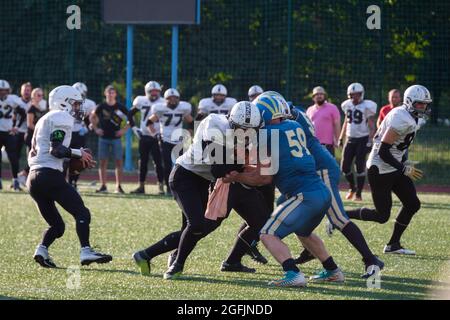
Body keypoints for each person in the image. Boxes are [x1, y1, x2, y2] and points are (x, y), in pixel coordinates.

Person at [133, 101, 268, 278]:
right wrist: (242, 160)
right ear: (232, 122)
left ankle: (145, 255)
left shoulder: (247, 132)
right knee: (196, 225)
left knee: (193, 230)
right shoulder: (214, 124)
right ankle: (176, 266)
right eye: (242, 129)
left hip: (203, 181)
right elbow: (218, 170)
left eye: (250, 130)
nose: (246, 133)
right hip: (185, 176)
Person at [226, 91, 344, 287]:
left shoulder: (266, 135)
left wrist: (237, 176)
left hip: (304, 196)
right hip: (321, 192)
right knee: (303, 232)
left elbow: (264, 178)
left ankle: (293, 273)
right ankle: (333, 270)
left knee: (266, 233)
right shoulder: (294, 125)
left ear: (262, 114)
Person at [281, 102, 383, 278]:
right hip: (311, 172)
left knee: (338, 218)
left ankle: (371, 260)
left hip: (321, 170)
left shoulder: (290, 119)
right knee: (298, 222)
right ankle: (313, 254)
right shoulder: (294, 113)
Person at [28, 85, 112, 268]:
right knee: (82, 212)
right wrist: (78, 153)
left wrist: (73, 165)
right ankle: (86, 251)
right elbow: (56, 150)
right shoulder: (61, 116)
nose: (78, 108)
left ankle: (41, 250)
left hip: (33, 178)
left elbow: (53, 152)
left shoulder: (46, 117)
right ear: (64, 103)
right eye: (75, 104)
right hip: (48, 174)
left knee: (57, 226)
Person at [347, 85, 432, 255]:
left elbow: (399, 146)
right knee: (381, 216)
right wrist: (403, 168)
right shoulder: (401, 117)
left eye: (425, 104)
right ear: (409, 102)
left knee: (412, 204)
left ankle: (393, 245)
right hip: (380, 168)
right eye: (419, 104)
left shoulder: (410, 115)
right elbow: (383, 151)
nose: (423, 107)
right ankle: (341, 215)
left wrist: (403, 163)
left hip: (393, 165)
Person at [146, 88, 193, 196]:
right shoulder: (160, 109)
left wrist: (188, 134)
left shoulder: (183, 108)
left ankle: (181, 186)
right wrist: (154, 133)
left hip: (179, 141)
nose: (172, 100)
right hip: (165, 140)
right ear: (166, 99)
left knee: (182, 165)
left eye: (174, 98)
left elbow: (191, 123)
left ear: (178, 99)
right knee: (166, 165)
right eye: (170, 98)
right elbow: (149, 122)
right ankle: (168, 187)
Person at [339, 83, 377, 201]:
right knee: (344, 166)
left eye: (356, 95)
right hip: (350, 139)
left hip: (362, 138)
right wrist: (341, 137)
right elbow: (346, 121)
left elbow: (371, 124)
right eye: (352, 95)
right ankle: (352, 187)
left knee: (360, 166)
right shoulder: (347, 105)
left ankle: (359, 193)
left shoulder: (367, 106)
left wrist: (370, 140)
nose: (354, 97)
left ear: (361, 94)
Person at [90, 85, 130, 194]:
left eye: (113, 93)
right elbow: (92, 116)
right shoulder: (101, 106)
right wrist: (96, 128)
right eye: (109, 93)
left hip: (116, 138)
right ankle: (103, 186)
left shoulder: (120, 106)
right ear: (105, 94)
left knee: (119, 162)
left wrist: (123, 130)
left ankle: (119, 186)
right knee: (103, 162)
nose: (111, 95)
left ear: (115, 94)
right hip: (103, 138)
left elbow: (130, 118)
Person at [128, 81, 165, 195]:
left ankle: (161, 187)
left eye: (156, 91)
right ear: (146, 92)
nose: (154, 94)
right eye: (151, 91)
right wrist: (134, 129)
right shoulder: (141, 100)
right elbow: (130, 114)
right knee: (143, 162)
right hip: (144, 136)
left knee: (158, 162)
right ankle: (141, 186)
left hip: (157, 136)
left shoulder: (164, 102)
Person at [69, 82, 96, 189]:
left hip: (80, 133)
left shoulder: (89, 104)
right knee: (66, 158)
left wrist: (89, 125)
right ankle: (65, 181)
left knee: (80, 158)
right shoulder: (66, 102)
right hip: (68, 133)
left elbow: (91, 118)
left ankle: (74, 182)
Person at [0, 80, 26, 191]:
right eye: (0, 90)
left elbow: (23, 113)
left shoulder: (13, 99)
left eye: (4, 90)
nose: (2, 93)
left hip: (9, 132)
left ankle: (15, 180)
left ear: (8, 90)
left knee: (13, 158)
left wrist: (17, 126)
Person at [20, 88, 47, 184]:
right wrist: (41, 130)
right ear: (33, 96)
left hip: (38, 136)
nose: (41, 97)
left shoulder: (41, 108)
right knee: (32, 158)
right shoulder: (31, 108)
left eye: (42, 95)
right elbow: (30, 124)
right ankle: (23, 176)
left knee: (36, 158)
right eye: (38, 95)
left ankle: (24, 176)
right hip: (31, 136)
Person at [306, 86, 341, 156]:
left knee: (328, 166)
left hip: (328, 145)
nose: (319, 96)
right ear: (313, 97)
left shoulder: (332, 108)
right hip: (313, 144)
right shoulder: (309, 110)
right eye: (317, 94)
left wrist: (338, 140)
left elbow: (337, 124)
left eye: (321, 94)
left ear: (325, 96)